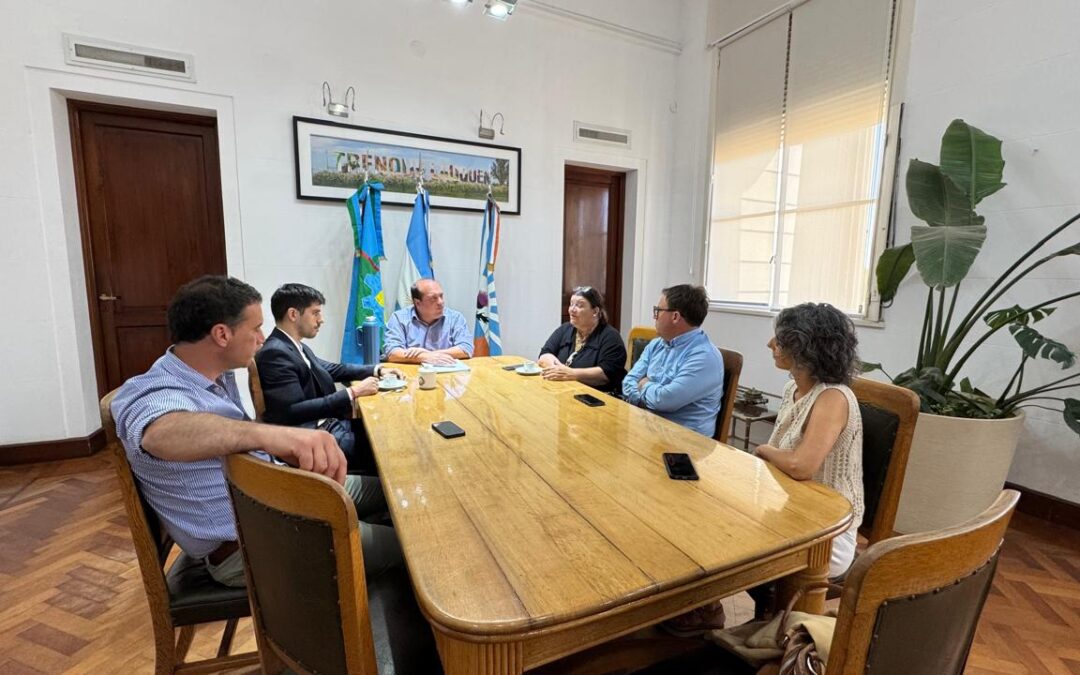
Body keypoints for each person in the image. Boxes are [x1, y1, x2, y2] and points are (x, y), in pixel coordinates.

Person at [110, 276, 401, 588]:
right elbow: (161, 433)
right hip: (251, 543)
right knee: (407, 549)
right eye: (255, 328)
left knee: (393, 493)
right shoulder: (155, 389)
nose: (263, 338)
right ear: (221, 334)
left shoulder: (212, 378)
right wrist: (272, 435)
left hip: (278, 499)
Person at [755, 302, 864, 578]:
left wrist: (764, 450)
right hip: (793, 509)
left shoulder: (833, 397)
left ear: (805, 350)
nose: (771, 344)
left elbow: (800, 466)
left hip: (828, 531)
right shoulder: (793, 387)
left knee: (736, 546)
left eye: (779, 341)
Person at [255, 283, 404, 474]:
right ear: (293, 314)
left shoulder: (293, 346)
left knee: (388, 430)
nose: (321, 319)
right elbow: (291, 411)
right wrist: (353, 392)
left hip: (330, 426)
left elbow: (332, 369)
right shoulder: (275, 352)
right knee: (391, 450)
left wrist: (377, 369)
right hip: (315, 438)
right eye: (315, 313)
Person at [621, 284, 723, 437]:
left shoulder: (704, 357)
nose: (654, 317)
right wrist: (649, 395)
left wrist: (644, 384)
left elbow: (665, 400)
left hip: (685, 443)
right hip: (648, 428)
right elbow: (628, 381)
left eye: (658, 311)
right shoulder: (656, 344)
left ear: (675, 316)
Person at [537, 286, 626, 393]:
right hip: (564, 392)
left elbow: (605, 374)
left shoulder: (610, 337)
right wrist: (558, 370)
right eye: (571, 304)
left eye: (579, 305)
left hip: (597, 398)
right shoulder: (565, 329)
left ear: (595, 311)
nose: (572, 309)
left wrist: (572, 374)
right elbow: (544, 354)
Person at [384, 278, 473, 365]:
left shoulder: (455, 318)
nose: (441, 302)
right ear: (417, 303)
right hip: (412, 375)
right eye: (433, 298)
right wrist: (424, 357)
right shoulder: (399, 318)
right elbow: (392, 353)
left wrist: (428, 354)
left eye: (441, 296)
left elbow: (466, 348)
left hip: (447, 374)